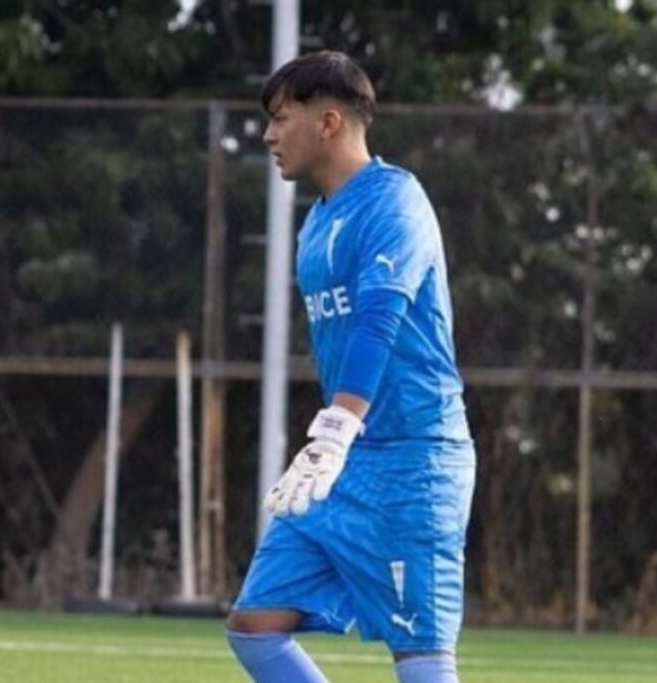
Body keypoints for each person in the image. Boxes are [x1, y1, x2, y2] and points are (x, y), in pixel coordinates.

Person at [226, 51, 475, 683]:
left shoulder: (397, 202)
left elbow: (378, 320)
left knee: (420, 662)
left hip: (414, 460)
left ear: (329, 122)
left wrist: (335, 428)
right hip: (344, 463)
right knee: (255, 627)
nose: (268, 135)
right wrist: (336, 444)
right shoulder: (316, 225)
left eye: (281, 118)